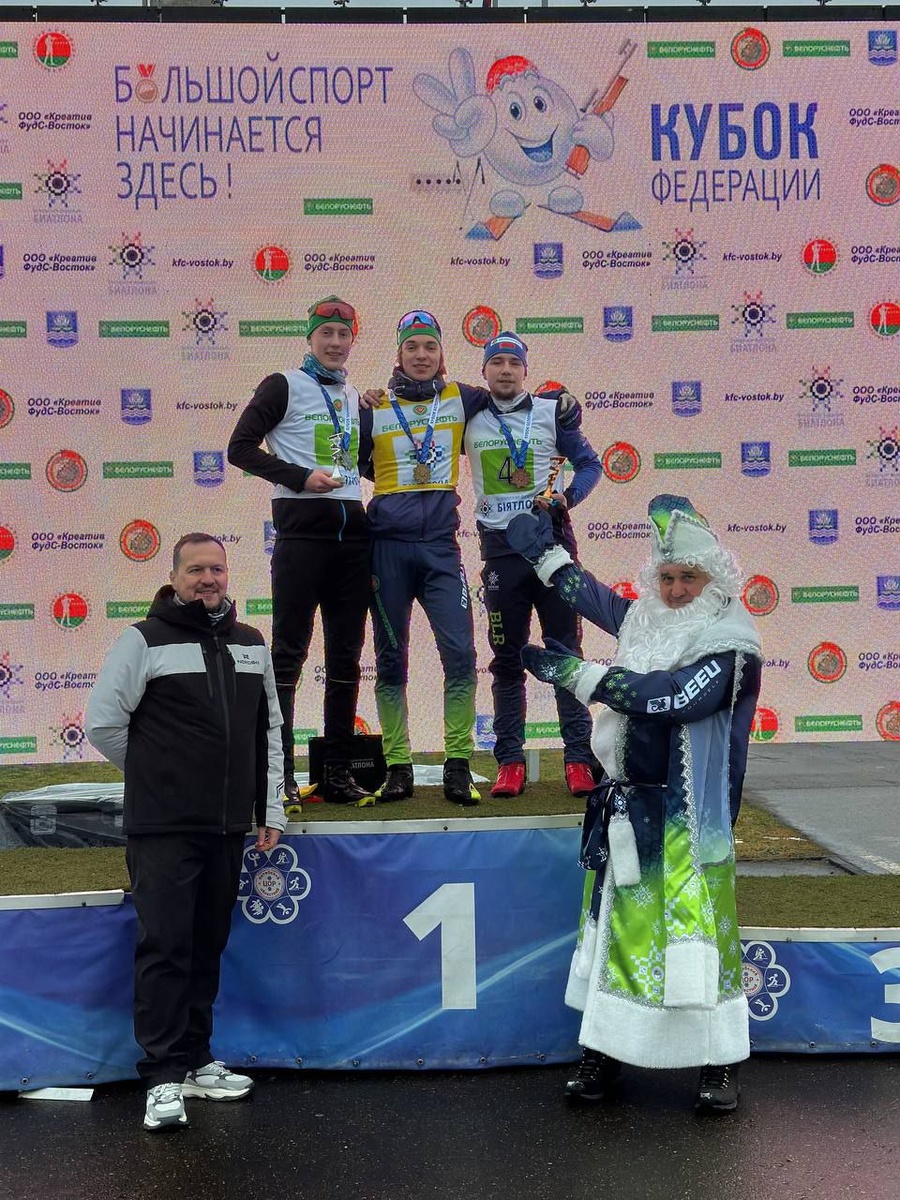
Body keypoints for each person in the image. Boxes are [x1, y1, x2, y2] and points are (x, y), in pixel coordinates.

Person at [507, 494, 762, 1113]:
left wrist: (579, 676)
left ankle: (719, 1060)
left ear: (714, 578)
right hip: (626, 809)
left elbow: (674, 697)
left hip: (690, 821)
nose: (675, 590)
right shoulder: (646, 620)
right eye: (667, 577)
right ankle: (605, 1050)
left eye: (688, 577)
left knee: (697, 934)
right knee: (615, 931)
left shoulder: (732, 643)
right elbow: (592, 598)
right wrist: (547, 555)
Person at [85, 533, 285, 1131]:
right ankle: (162, 1076)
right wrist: (157, 776)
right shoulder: (143, 639)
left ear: (228, 575)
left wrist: (270, 809)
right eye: (195, 569)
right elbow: (103, 724)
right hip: (163, 827)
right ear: (174, 577)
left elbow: (269, 730)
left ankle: (196, 1062)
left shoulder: (251, 643)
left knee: (206, 947)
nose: (208, 579)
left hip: (227, 827)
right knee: (166, 948)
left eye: (216, 569)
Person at [227, 296, 373, 808]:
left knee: (346, 658)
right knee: (288, 656)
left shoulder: (353, 395)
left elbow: (364, 463)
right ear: (309, 338)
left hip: (354, 541)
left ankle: (336, 774)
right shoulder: (283, 385)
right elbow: (239, 448)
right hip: (302, 540)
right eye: (325, 334)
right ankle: (280, 776)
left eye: (343, 334)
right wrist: (299, 477)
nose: (335, 342)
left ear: (353, 340)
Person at [463, 331, 602, 799]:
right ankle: (510, 762)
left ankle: (578, 759)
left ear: (525, 370)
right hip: (501, 555)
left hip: (552, 549)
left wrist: (569, 497)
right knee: (507, 661)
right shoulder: (467, 415)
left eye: (513, 363)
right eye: (496, 362)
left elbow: (590, 464)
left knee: (566, 654)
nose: (505, 370)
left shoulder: (550, 411)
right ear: (484, 371)